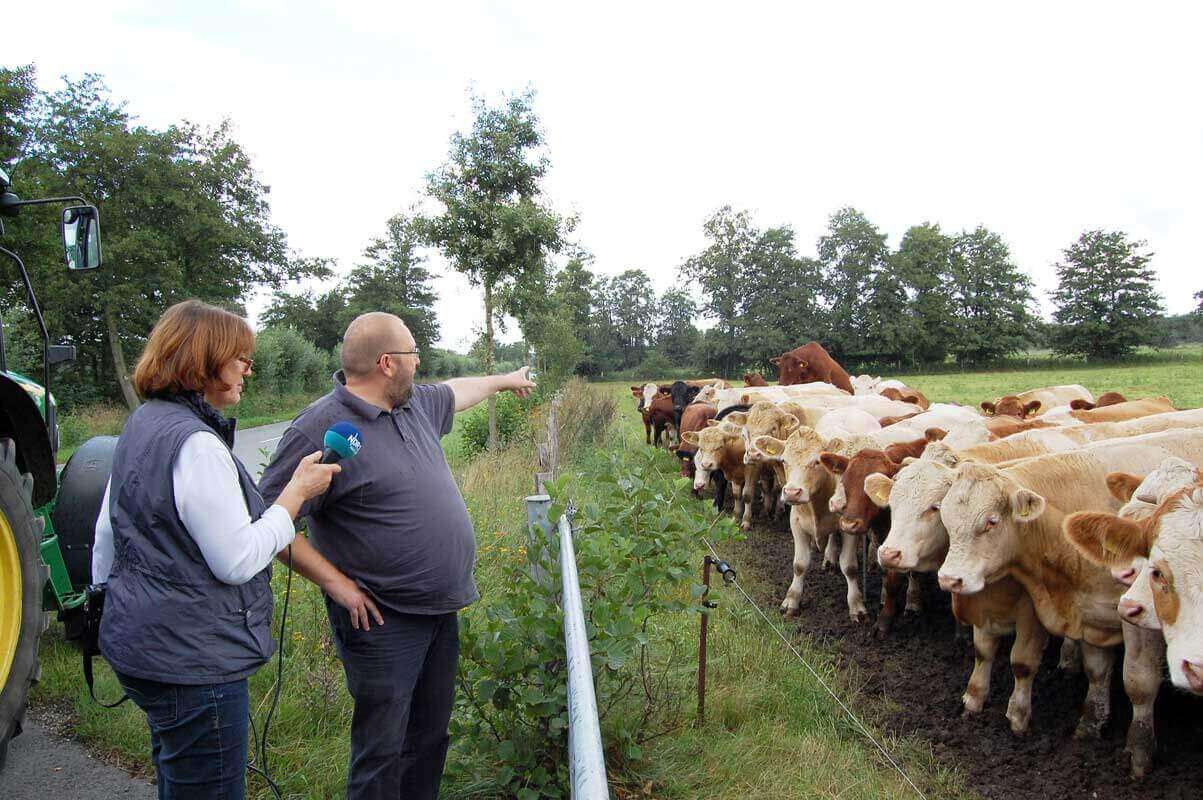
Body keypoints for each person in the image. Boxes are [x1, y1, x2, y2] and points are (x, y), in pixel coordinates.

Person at [91, 299, 380, 800]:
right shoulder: (196, 445)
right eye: (239, 357)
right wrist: (296, 493)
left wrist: (108, 604)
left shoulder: (142, 424)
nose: (249, 367)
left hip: (142, 648)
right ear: (201, 362)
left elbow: (106, 535)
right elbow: (238, 560)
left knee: (176, 779)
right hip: (194, 667)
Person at [257, 312, 535, 800]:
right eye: (412, 354)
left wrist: (504, 381)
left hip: (438, 609)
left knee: (429, 740)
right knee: (382, 749)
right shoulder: (320, 429)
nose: (419, 362)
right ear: (387, 363)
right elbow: (268, 520)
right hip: (382, 620)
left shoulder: (414, 406)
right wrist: (334, 583)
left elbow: (458, 389)